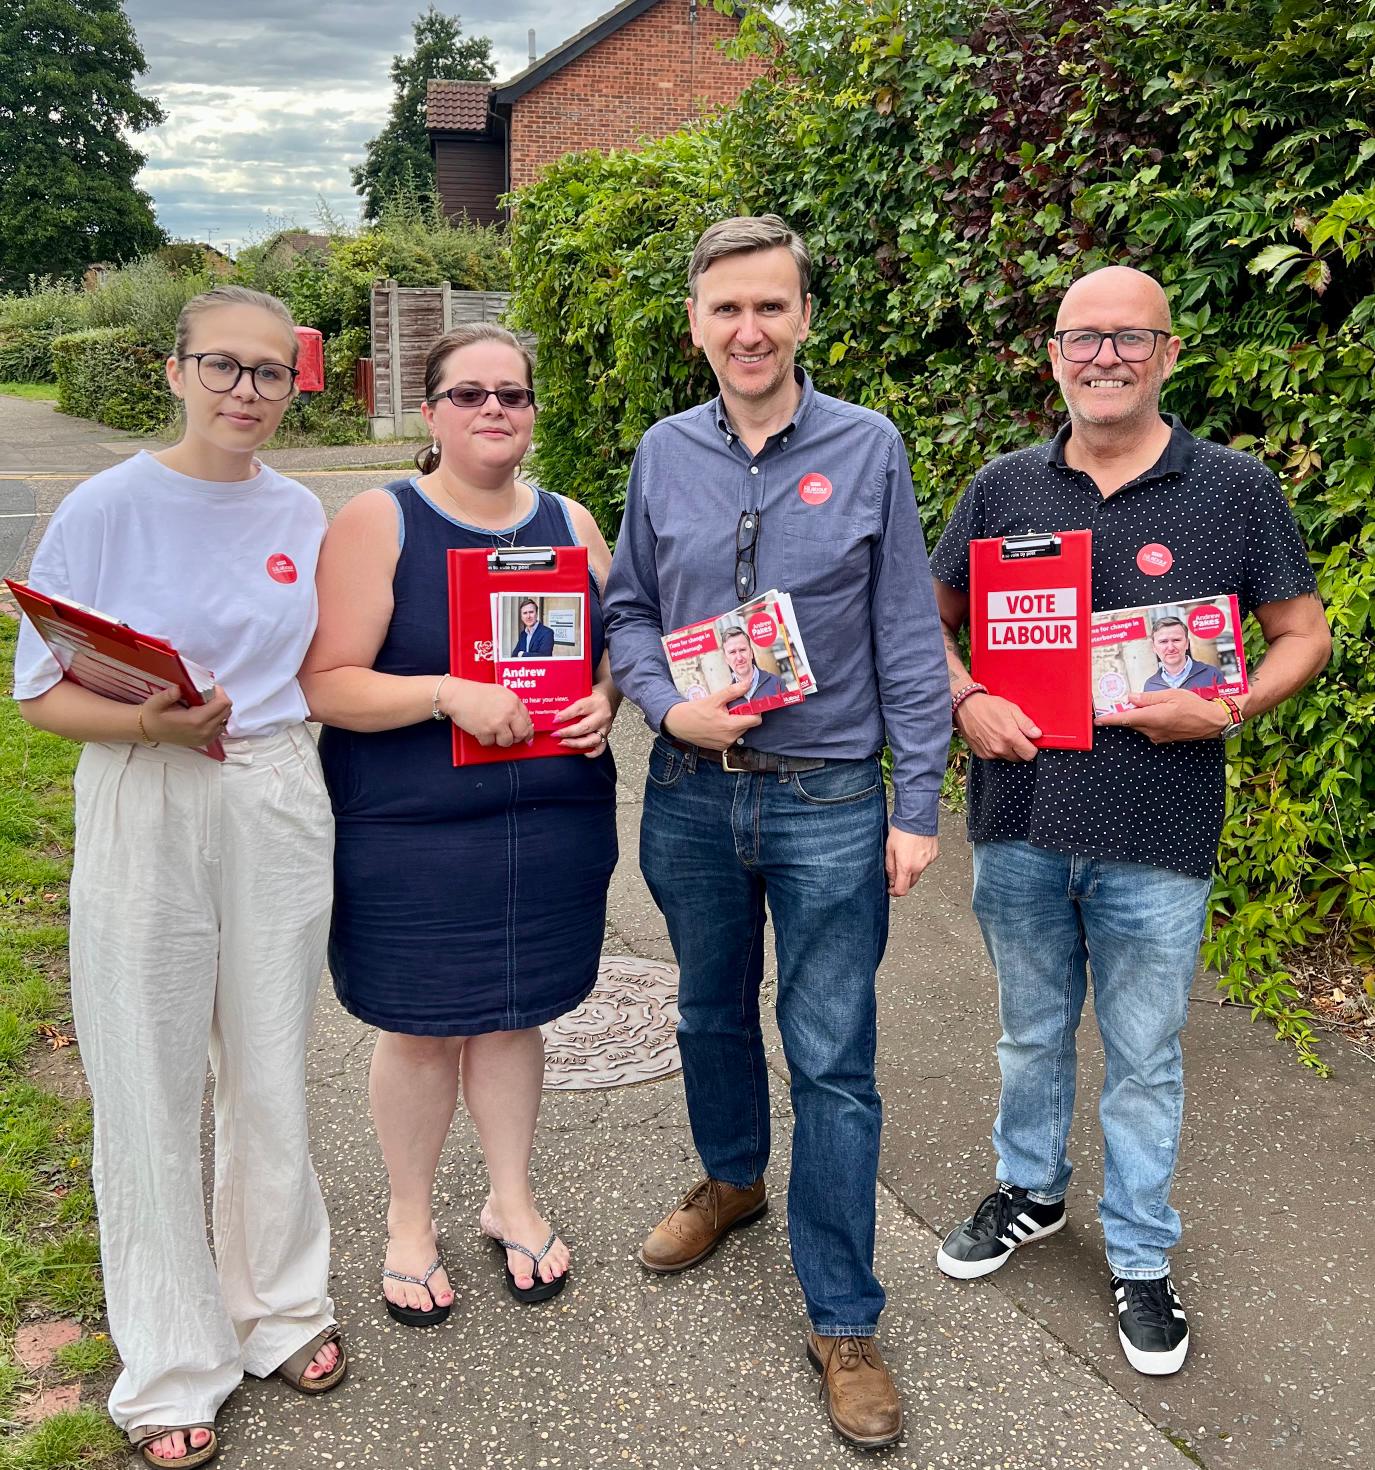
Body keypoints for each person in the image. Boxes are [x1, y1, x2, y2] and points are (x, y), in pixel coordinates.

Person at [928, 265, 1331, 1376]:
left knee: (1145, 1056)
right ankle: (1031, 1192)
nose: (1103, 356)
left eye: (1127, 338)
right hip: (1018, 817)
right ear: (1051, 355)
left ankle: (1142, 1255)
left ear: (1167, 352)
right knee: (1028, 1031)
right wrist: (965, 695)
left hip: (1157, 827)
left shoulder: (1234, 489)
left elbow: (1304, 631)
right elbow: (929, 614)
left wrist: (1231, 704)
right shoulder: (1003, 486)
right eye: (1080, 337)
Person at [603, 215, 949, 1449]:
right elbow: (628, 613)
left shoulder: (868, 448)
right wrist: (664, 703)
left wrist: (918, 805)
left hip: (827, 799)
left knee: (833, 1053)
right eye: (725, 309)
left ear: (804, 315)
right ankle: (734, 1180)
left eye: (771, 306)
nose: (748, 330)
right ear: (695, 324)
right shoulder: (660, 453)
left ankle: (844, 1317)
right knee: (704, 1008)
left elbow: (909, 636)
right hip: (693, 796)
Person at [13, 286, 345, 1468]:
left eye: (269, 372)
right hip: (145, 789)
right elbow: (40, 693)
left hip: (272, 786)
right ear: (174, 370)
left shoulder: (306, 512)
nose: (245, 391)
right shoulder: (105, 507)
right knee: (147, 1078)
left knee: (268, 1067)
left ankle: (278, 1309)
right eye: (223, 366)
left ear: (293, 383)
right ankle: (168, 1361)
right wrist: (147, 730)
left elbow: (330, 661)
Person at [299, 324, 618, 1323]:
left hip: (549, 823)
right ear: (430, 411)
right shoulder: (378, 520)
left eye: (512, 395)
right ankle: (408, 1219)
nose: (494, 411)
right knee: (424, 1030)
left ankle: (509, 1197)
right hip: (412, 832)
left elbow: (615, 652)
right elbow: (327, 684)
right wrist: (447, 691)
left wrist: (608, 695)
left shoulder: (572, 520)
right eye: (470, 394)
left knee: (515, 1015)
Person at [1142, 616, 1221, 692]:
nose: (1170, 648)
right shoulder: (1150, 686)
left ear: (1187, 643)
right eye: (1163, 642)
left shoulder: (1212, 675)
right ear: (1154, 647)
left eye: (1176, 640)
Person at [720, 624, 785, 708]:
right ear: (726, 659)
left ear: (751, 653)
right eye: (732, 652)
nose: (739, 658)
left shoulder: (777, 683)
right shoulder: (727, 700)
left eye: (742, 650)